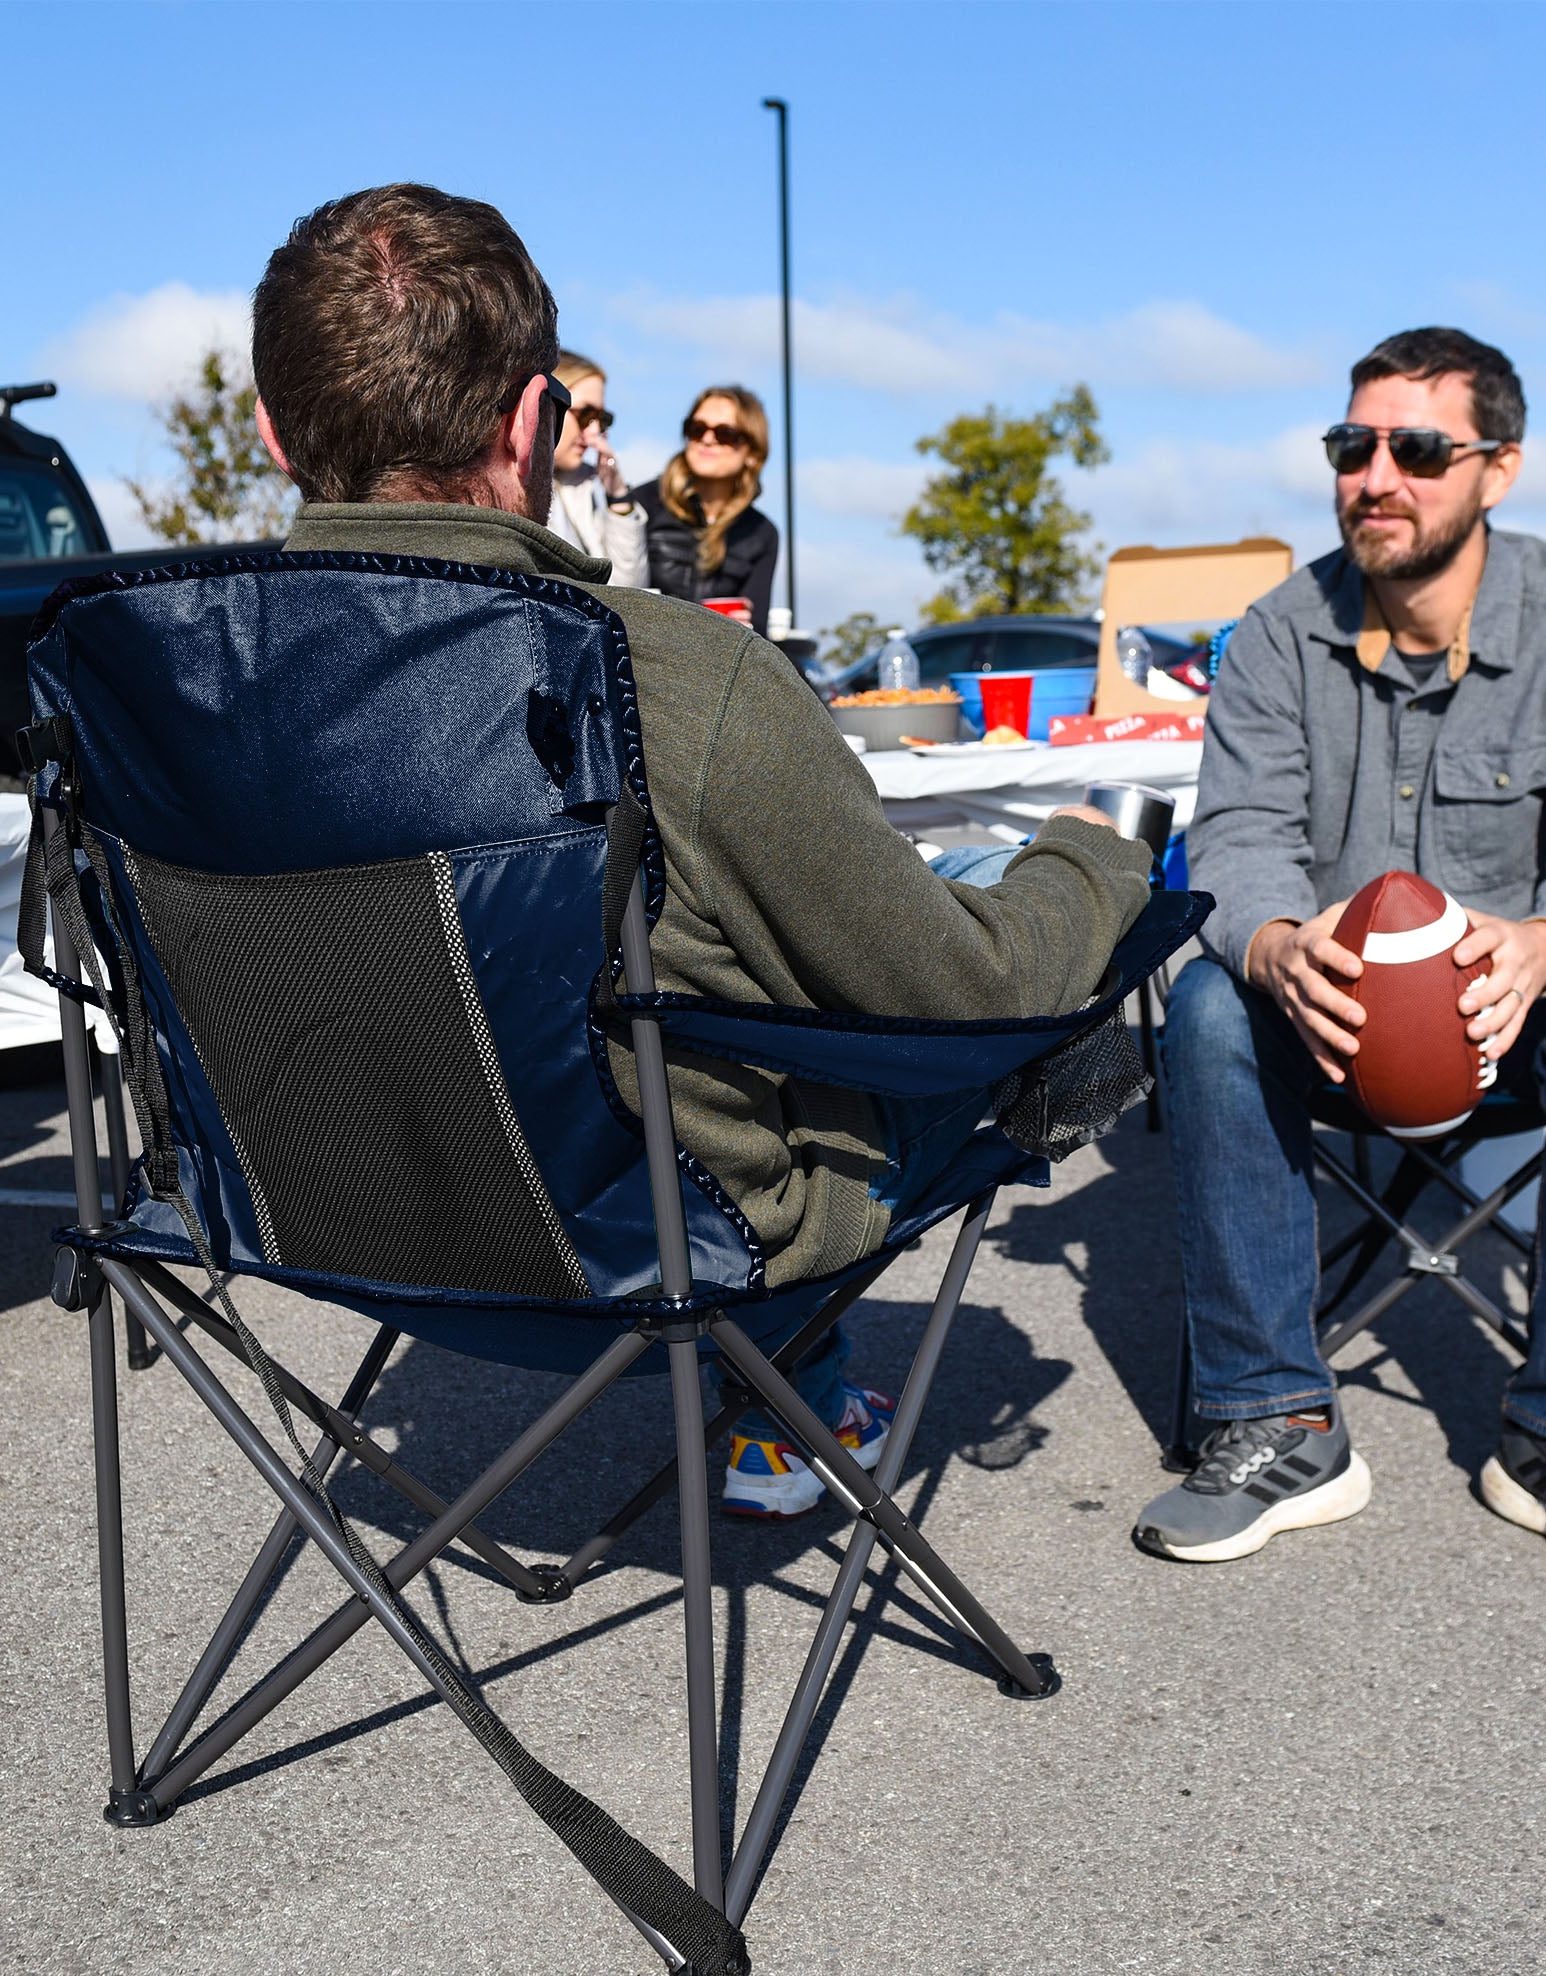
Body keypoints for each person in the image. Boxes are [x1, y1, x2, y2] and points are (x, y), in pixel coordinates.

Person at [249, 184, 1153, 1517]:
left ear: (272, 433)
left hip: (317, 1216)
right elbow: (957, 994)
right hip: (655, 1244)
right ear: (531, 422)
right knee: (1012, 953)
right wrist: (1093, 865)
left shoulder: (179, 690)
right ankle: (791, 1398)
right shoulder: (671, 677)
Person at [1137, 327, 1546, 1581]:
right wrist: (1276, 940)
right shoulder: (1277, 631)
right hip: (1329, 1021)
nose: (1375, 476)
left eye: (1415, 448)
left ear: (1496, 469)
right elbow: (1234, 834)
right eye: (1353, 446)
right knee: (1204, 1000)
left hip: (1512, 1022)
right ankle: (1274, 1419)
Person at [632, 386, 778, 632]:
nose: (707, 439)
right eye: (697, 429)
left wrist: (743, 627)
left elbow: (759, 631)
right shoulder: (643, 503)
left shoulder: (761, 532)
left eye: (725, 434)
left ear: (752, 453)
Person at [545, 350, 648, 586]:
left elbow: (629, 591)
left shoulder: (586, 486)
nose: (594, 433)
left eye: (601, 419)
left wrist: (618, 496)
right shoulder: (507, 482)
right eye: (585, 415)